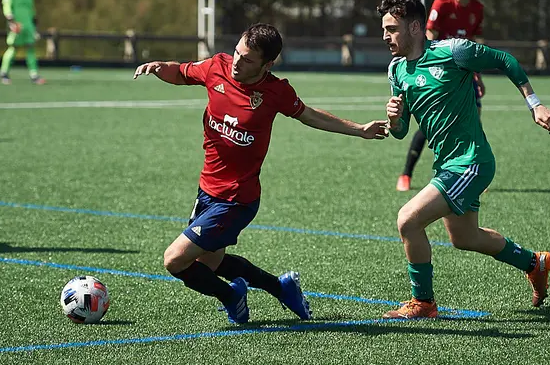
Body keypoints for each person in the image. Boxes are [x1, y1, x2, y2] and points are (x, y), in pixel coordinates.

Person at [134, 23, 388, 323]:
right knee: (209, 265)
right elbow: (182, 73)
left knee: (174, 260)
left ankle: (232, 296)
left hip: (236, 199)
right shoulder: (217, 67)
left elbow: (309, 116)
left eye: (248, 59)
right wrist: (160, 67)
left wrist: (360, 130)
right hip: (207, 190)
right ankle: (280, 287)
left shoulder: (275, 91)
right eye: (237, 53)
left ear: (267, 65)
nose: (237, 63)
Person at [377, 0, 550, 319]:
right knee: (465, 237)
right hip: (447, 164)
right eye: (384, 29)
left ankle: (423, 303)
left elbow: (506, 60)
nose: (385, 36)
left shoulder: (452, 51)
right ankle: (535, 263)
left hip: (471, 162)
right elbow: (401, 130)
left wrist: (535, 104)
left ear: (415, 27)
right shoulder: (396, 70)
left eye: (392, 28)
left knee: (408, 220)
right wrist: (393, 118)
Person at [397, 0, 486, 192]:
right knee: (430, 125)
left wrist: (477, 74)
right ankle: (406, 174)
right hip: (440, 72)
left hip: (464, 75)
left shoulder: (477, 9)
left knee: (473, 120)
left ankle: (473, 170)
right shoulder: (443, 4)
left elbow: (475, 43)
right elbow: (429, 36)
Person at [0, 0, 45, 85]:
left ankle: (34, 74)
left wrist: (35, 24)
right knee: (13, 48)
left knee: (30, 48)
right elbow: (7, 7)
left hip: (28, 25)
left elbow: (31, 8)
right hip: (16, 25)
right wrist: (11, 21)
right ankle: (4, 73)